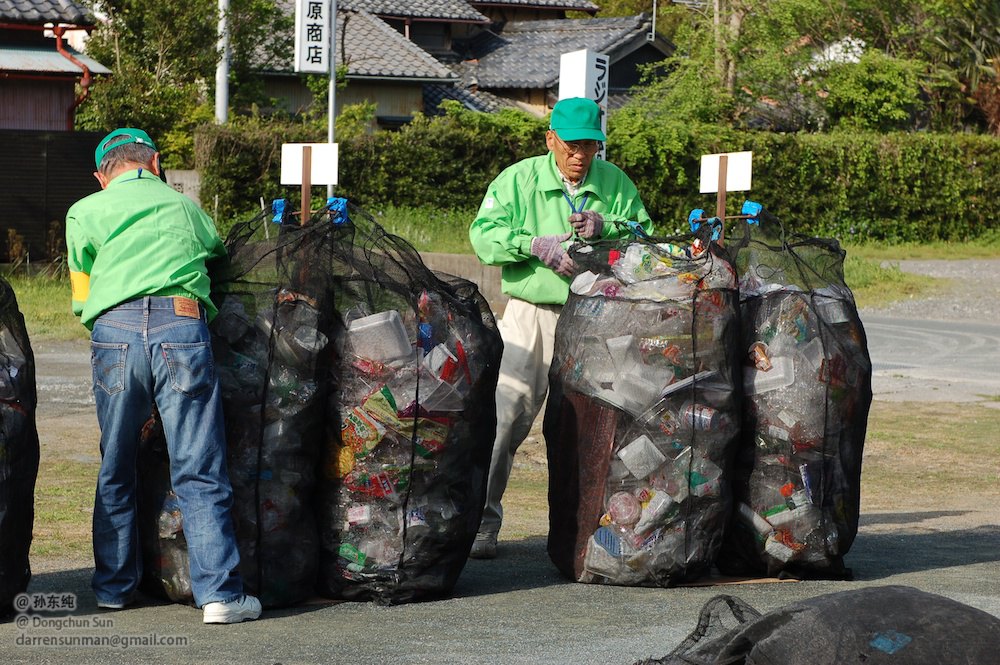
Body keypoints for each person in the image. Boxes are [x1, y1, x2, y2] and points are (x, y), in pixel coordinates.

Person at [65, 128, 261, 623]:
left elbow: (81, 288)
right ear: (155, 163)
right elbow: (217, 257)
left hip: (113, 333)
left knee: (117, 461)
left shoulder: (84, 211)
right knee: (198, 464)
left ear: (100, 175)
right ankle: (218, 594)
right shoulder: (186, 209)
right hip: (182, 324)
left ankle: (113, 587)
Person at [468, 98, 654, 558]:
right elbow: (482, 235)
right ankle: (480, 524)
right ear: (550, 138)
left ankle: (595, 530)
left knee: (599, 427)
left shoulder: (614, 183)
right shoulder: (518, 179)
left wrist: (606, 225)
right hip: (531, 314)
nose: (580, 155)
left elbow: (646, 234)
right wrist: (529, 244)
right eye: (571, 145)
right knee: (504, 419)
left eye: (590, 145)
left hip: (598, 318)